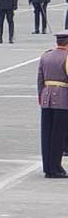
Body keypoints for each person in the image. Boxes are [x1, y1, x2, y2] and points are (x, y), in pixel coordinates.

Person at [37, 30, 68, 178]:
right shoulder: (66, 57)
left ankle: (47, 167)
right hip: (62, 99)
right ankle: (56, 168)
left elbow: (40, 79)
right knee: (58, 135)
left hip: (46, 98)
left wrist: (41, 96)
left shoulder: (46, 55)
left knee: (47, 135)